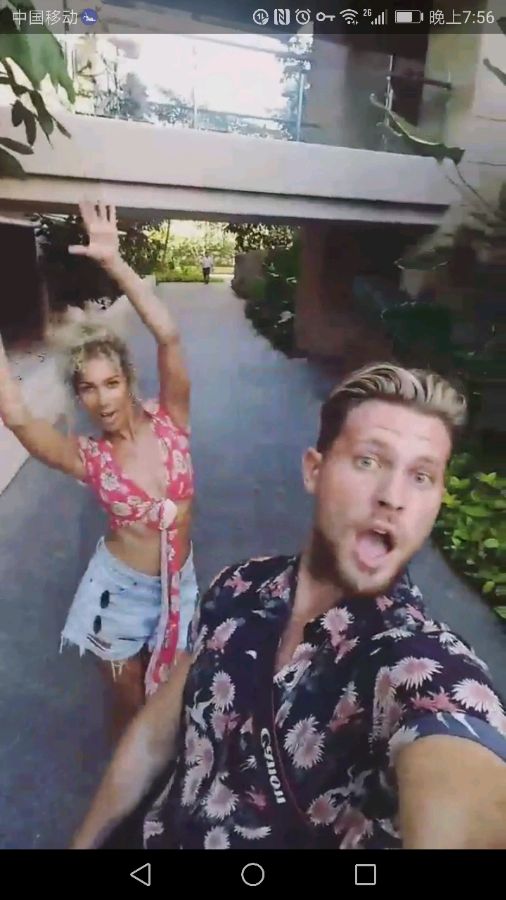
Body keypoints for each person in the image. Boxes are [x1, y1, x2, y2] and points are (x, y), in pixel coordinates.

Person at [72, 364, 506, 849]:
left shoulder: (418, 662)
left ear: (437, 501)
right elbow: (154, 738)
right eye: (368, 461)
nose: (392, 497)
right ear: (314, 471)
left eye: (421, 476)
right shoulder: (238, 585)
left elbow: (460, 766)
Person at [0, 202, 198, 741]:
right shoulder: (89, 458)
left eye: (111, 383)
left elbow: (168, 336)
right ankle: (127, 779)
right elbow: (16, 415)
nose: (102, 399)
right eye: (87, 388)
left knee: (170, 701)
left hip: (179, 584)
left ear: (129, 380)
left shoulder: (171, 420)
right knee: (128, 704)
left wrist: (114, 263)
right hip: (119, 593)